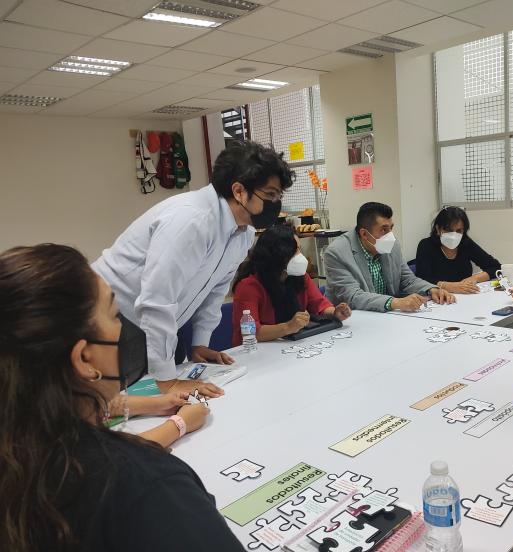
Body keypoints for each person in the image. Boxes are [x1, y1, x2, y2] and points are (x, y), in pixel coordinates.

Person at [0, 244, 243, 551]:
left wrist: (156, 403)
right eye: (115, 316)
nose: (125, 328)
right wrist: (179, 424)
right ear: (85, 359)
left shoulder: (21, 451)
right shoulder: (147, 488)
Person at [93, 141, 293, 397]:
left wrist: (200, 343)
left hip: (155, 323)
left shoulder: (243, 232)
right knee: (117, 406)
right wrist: (166, 382)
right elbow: (157, 301)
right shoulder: (193, 220)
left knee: (165, 397)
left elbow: (214, 290)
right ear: (240, 191)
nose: (276, 204)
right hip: (113, 317)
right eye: (270, 195)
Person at [324, 202, 455, 312]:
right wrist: (395, 302)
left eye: (391, 228)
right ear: (364, 233)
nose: (390, 235)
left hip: (388, 317)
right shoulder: (336, 253)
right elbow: (353, 297)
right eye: (384, 230)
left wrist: (431, 289)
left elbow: (407, 279)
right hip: (352, 321)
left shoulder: (392, 244)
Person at [231, 225, 352, 344]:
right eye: (294, 251)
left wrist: (334, 312)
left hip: (292, 343)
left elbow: (319, 303)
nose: (300, 256)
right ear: (277, 256)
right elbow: (250, 332)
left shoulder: (300, 276)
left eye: (299, 249)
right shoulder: (248, 287)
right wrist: (287, 327)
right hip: (258, 351)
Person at [415, 206, 501, 294]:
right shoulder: (426, 245)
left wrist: (474, 278)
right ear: (438, 229)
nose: (453, 235)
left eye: (459, 231)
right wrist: (449, 286)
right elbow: (421, 279)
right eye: (448, 230)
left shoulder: (465, 243)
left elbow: (496, 267)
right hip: (439, 299)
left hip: (465, 297)